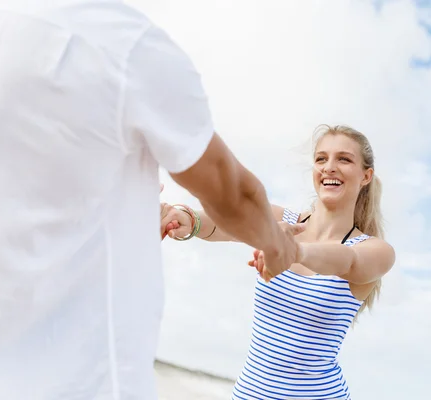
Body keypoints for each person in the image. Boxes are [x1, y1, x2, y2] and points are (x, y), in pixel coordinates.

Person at [0, 1, 302, 399]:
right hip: (77, 380)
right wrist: (277, 245)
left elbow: (8, 193)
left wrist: (131, 219)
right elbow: (233, 194)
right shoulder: (127, 46)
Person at [161, 124, 396, 399]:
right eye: (321, 159)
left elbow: (347, 261)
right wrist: (186, 219)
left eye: (343, 159)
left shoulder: (375, 251)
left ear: (366, 176)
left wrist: (293, 251)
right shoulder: (281, 221)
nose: (329, 167)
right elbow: (225, 223)